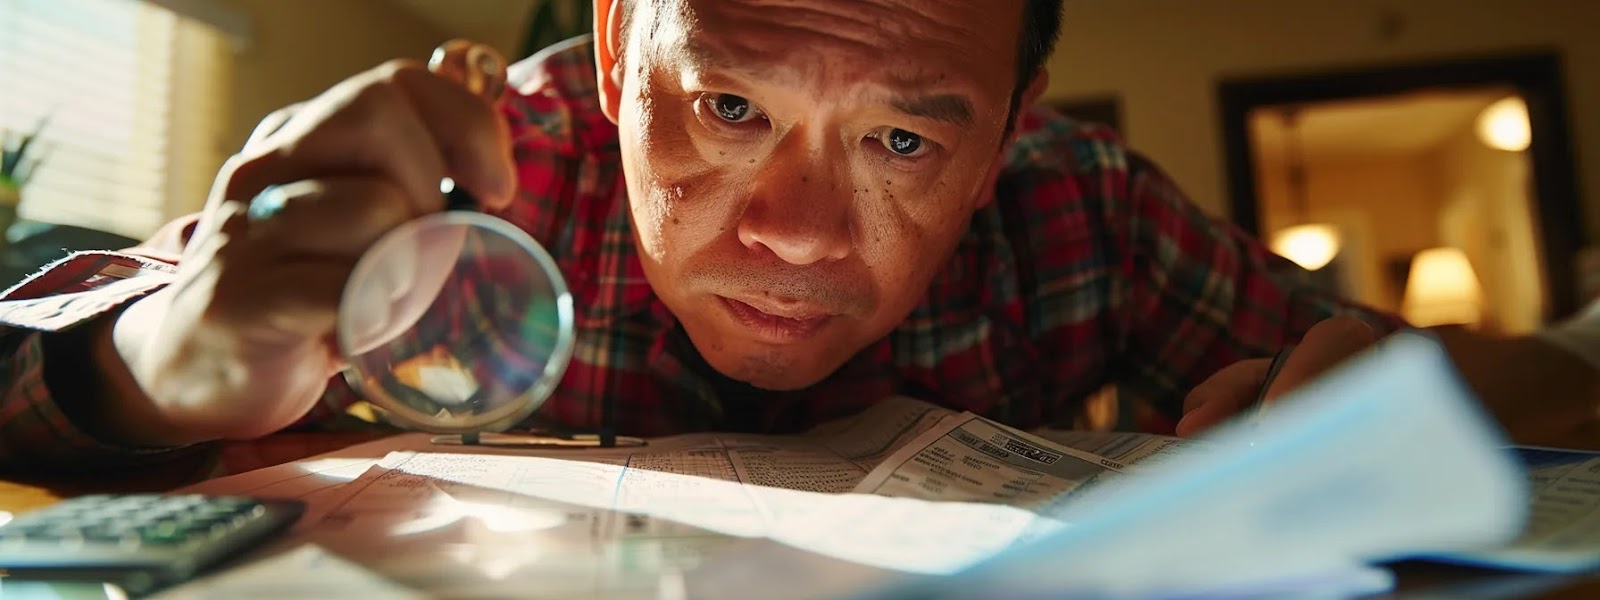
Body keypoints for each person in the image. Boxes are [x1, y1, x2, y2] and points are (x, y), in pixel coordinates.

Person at [0, 0, 1585, 471]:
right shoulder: (468, 175)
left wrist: (1395, 398)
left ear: (1012, 125)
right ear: (617, 59)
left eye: (903, 137)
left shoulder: (1076, 204)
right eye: (733, 109)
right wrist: (141, 366)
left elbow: (1453, 387)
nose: (801, 235)